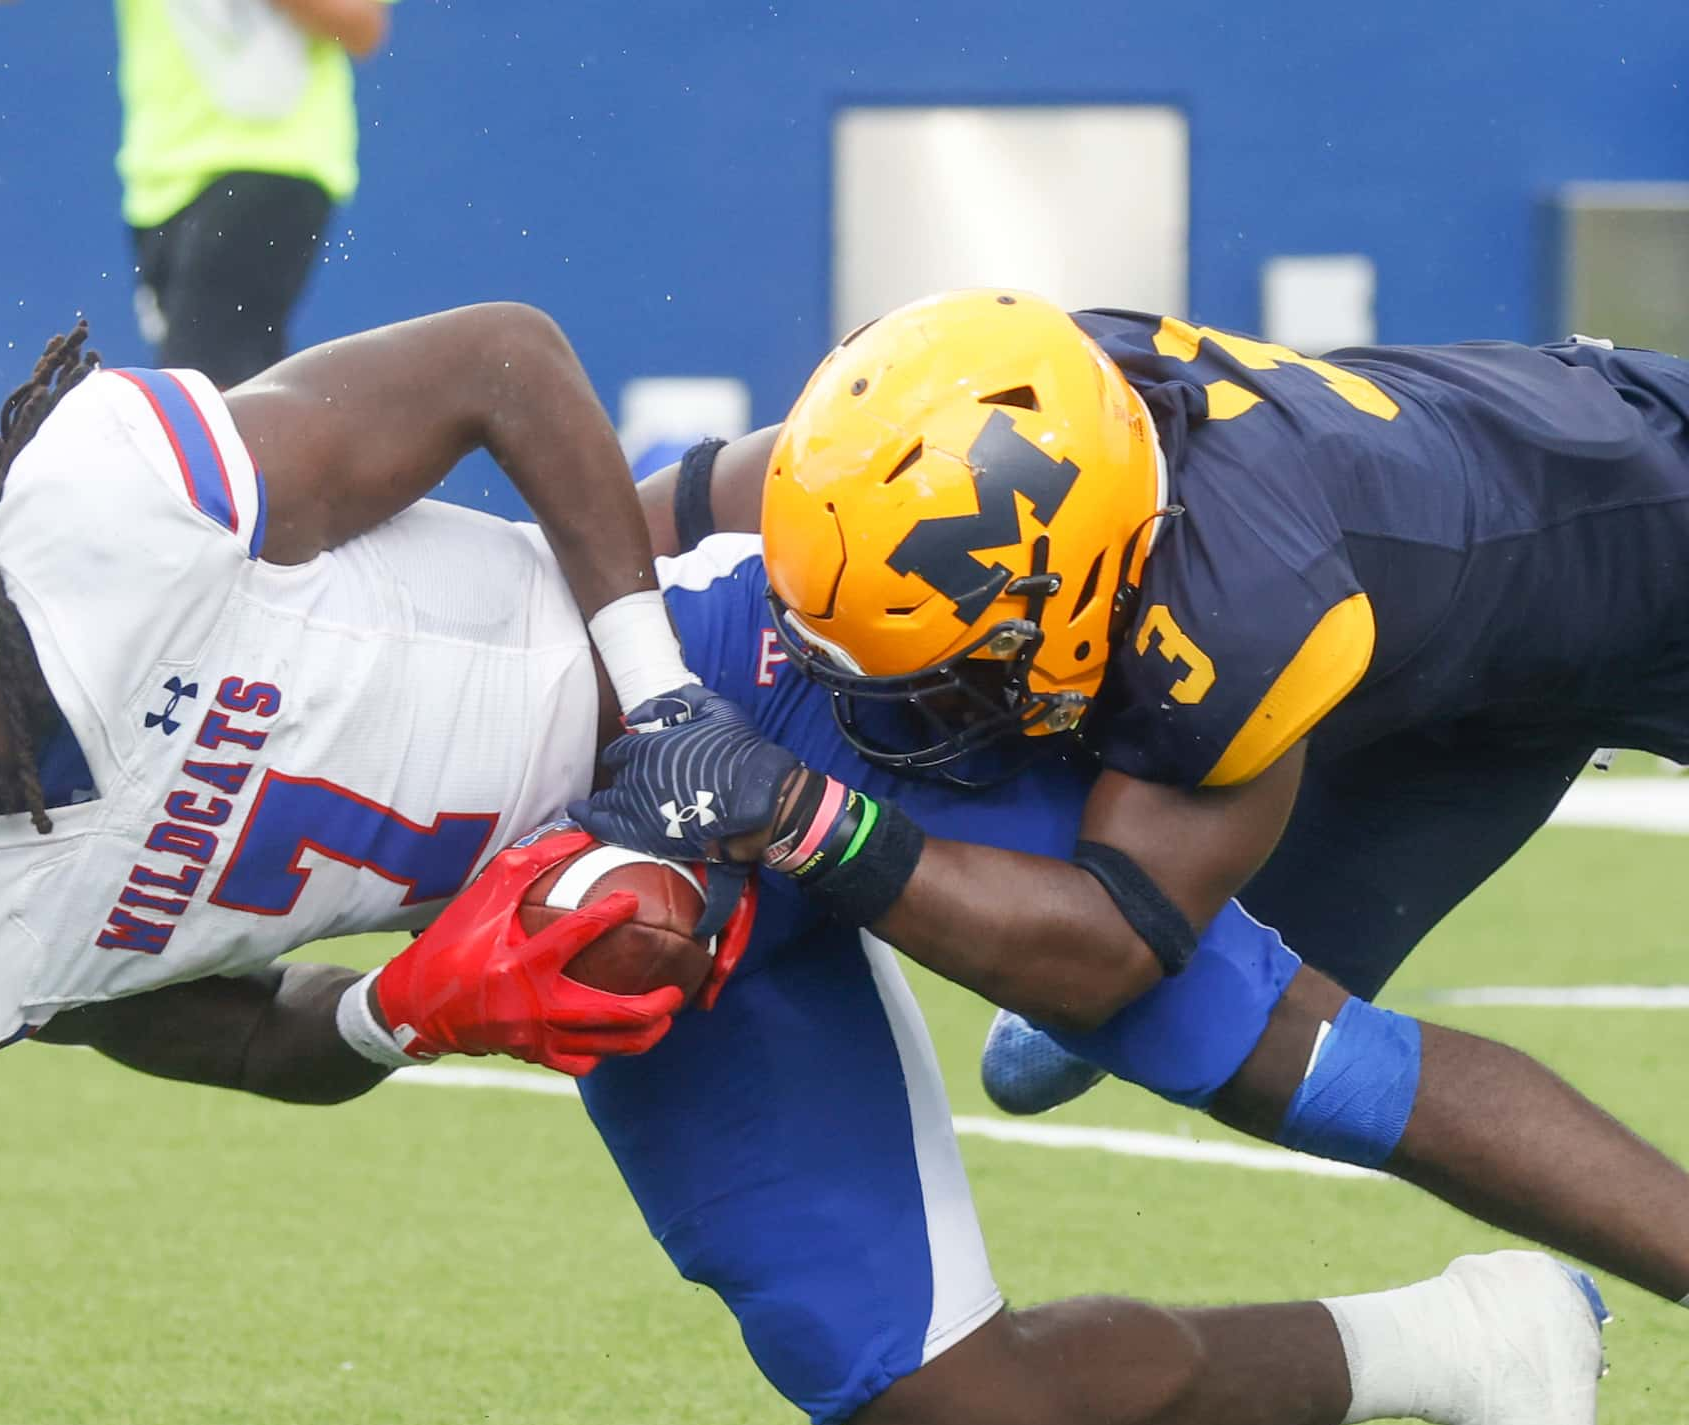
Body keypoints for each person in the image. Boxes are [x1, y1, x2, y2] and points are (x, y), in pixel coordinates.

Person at [0, 301, 1685, 1425]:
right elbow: (222, 1039)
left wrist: (652, 698)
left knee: (1229, 1041)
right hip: (600, 932)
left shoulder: (110, 497)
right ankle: (1474, 1349)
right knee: (942, 1421)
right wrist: (411, 1008)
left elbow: (503, 361)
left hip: (740, 672)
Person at [575, 290, 1689, 1142]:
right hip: (1458, 656)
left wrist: (805, 820)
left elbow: (1106, 953)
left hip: (1651, 548)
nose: (910, 711)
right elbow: (659, 520)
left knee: (1191, 1014)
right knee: (1199, 1028)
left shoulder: (1241, 612)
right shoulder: (970, 426)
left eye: (966, 666)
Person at [0, 0, 389, 387]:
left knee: (202, 384)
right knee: (239, 384)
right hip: (159, 184)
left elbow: (362, 26)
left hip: (272, 161)